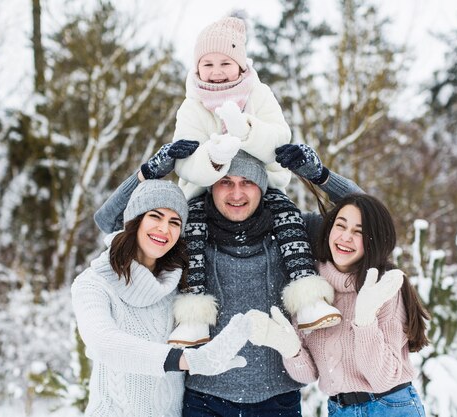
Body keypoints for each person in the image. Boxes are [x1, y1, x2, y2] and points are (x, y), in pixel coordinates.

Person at [94, 144, 363, 416]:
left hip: (279, 400)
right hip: (204, 400)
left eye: (247, 181)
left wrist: (321, 176)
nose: (236, 193)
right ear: (211, 186)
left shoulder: (294, 229)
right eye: (226, 182)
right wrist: (149, 172)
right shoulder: (185, 233)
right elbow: (110, 220)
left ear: (262, 186)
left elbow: (370, 218)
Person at [162, 14, 342, 346]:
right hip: (205, 187)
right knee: (193, 235)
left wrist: (244, 129)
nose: (216, 71)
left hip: (263, 181)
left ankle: (307, 298)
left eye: (225, 63)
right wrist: (215, 156)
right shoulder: (191, 106)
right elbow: (185, 160)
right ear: (197, 68)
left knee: (288, 220)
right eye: (208, 64)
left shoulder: (259, 94)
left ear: (242, 65)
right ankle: (193, 319)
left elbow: (279, 138)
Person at [72, 179, 252, 417]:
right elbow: (104, 343)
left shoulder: (182, 287)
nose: (164, 229)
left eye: (174, 222)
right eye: (155, 216)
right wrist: (187, 360)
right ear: (135, 221)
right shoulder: (94, 282)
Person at [247, 193, 430, 416]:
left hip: (389, 407)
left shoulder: (384, 287)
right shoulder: (309, 284)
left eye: (358, 232)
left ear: (376, 239)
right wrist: (290, 349)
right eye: (340, 226)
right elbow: (309, 375)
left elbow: (383, 379)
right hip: (338, 409)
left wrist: (365, 322)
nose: (345, 237)